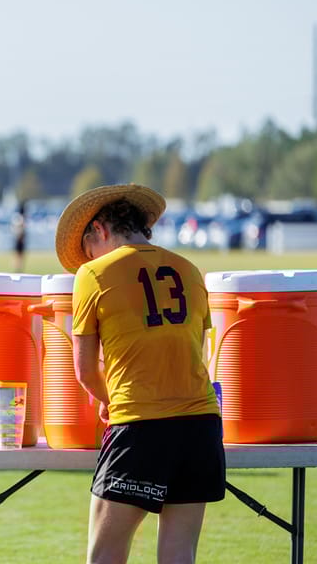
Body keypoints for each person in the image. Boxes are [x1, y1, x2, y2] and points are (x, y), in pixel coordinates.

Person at [54, 184, 225, 564]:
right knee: (180, 554)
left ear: (99, 229)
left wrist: (109, 399)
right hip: (202, 426)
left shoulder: (93, 274)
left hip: (141, 426)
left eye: (88, 250)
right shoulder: (189, 269)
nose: (88, 259)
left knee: (105, 556)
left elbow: (83, 370)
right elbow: (193, 348)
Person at [10, 200, 28, 272]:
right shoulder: (21, 218)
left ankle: (17, 268)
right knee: (19, 255)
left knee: (17, 255)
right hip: (19, 239)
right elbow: (21, 228)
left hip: (17, 239)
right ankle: (18, 268)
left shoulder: (16, 217)